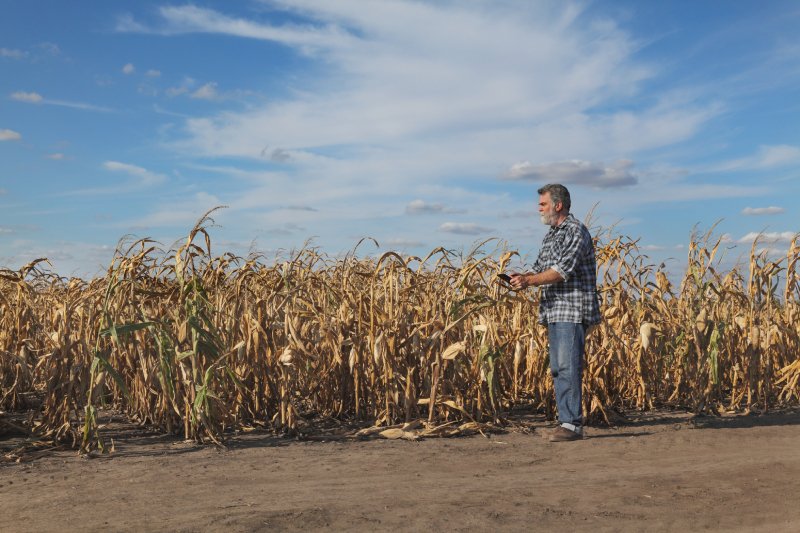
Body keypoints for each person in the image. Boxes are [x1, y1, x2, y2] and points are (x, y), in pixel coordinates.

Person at [509, 183, 601, 442]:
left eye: (543, 204)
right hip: (554, 310)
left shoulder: (575, 231)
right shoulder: (551, 235)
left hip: (571, 309)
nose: (539, 208)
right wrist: (521, 277)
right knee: (559, 369)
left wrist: (530, 281)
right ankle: (565, 422)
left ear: (558, 205)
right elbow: (540, 267)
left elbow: (562, 270)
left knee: (567, 367)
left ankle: (572, 426)